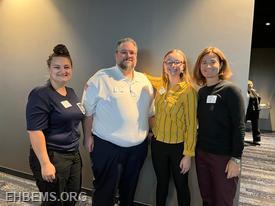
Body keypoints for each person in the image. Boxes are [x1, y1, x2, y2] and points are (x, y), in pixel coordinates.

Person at [82, 37, 154, 206]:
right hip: (107, 145)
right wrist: (87, 137)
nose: (128, 55)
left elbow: (151, 112)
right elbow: (87, 112)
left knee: (129, 190)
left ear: (136, 56)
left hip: (137, 148)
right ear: (116, 55)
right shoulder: (100, 77)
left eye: (132, 53)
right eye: (124, 52)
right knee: (104, 190)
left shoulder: (144, 80)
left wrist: (152, 133)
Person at [26, 44, 84, 206]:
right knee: (53, 202)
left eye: (66, 67)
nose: (62, 70)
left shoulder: (71, 92)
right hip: (52, 155)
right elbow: (35, 131)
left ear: (71, 69)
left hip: (73, 155)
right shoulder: (40, 94)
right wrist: (45, 163)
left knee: (71, 198)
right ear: (49, 69)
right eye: (56, 67)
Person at [193, 47, 245, 206]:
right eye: (204, 62)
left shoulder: (231, 90)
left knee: (223, 200)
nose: (207, 66)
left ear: (221, 65)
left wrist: (236, 159)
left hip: (223, 157)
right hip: (202, 153)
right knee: (206, 198)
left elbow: (239, 127)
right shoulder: (201, 92)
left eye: (212, 61)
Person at [146, 49, 197, 206]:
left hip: (178, 148)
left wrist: (188, 155)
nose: (172, 65)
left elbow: (191, 125)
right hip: (158, 145)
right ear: (164, 64)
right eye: (169, 61)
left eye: (177, 62)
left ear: (183, 66)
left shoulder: (188, 91)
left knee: (181, 186)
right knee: (161, 183)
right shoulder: (160, 84)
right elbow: (141, 76)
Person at [246, 80, 261, 145]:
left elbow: (258, 101)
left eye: (250, 85)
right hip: (250, 111)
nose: (250, 86)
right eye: (249, 85)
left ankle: (256, 140)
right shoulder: (247, 92)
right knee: (242, 125)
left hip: (252, 112)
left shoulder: (253, 93)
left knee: (255, 126)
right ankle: (256, 140)